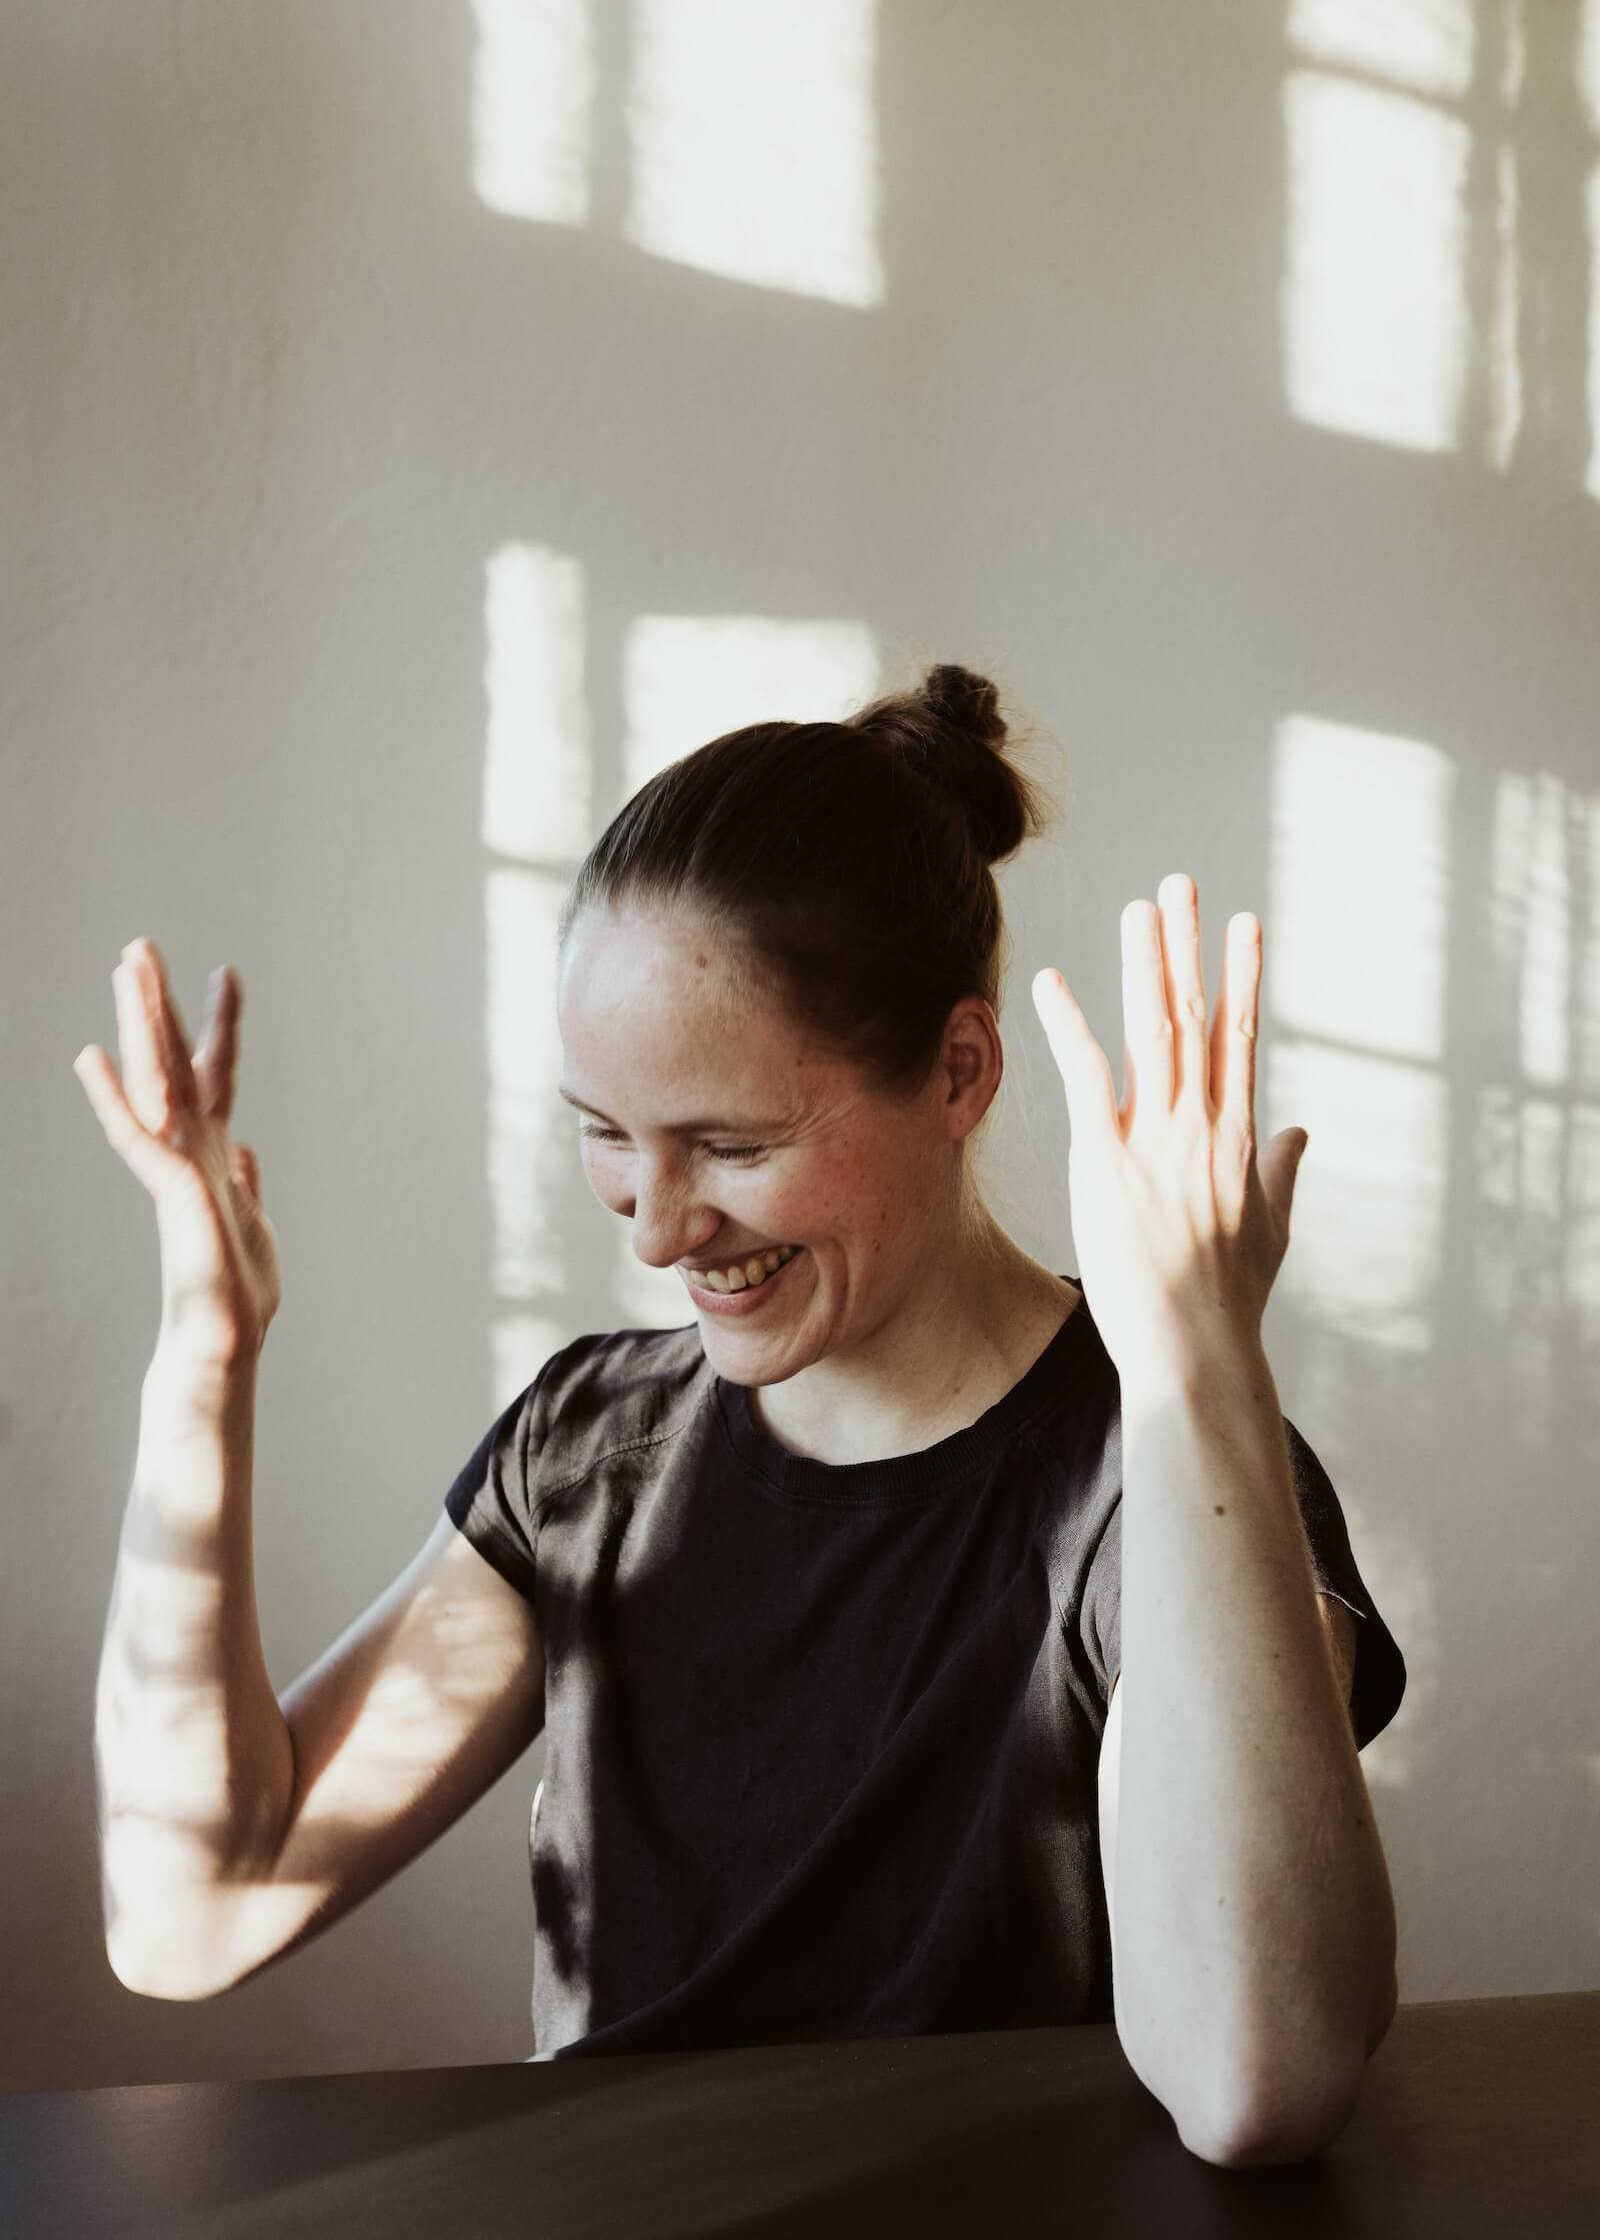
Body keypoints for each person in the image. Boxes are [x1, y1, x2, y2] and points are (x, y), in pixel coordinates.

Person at [78, 664, 1404, 2168]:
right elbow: (196, 1909)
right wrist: (204, 1358)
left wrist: (1197, 1355)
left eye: (730, 1143)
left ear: (959, 1072)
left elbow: (1261, 2079)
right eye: (606, 1138)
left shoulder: (1157, 1475)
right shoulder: (591, 1456)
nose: (656, 1230)